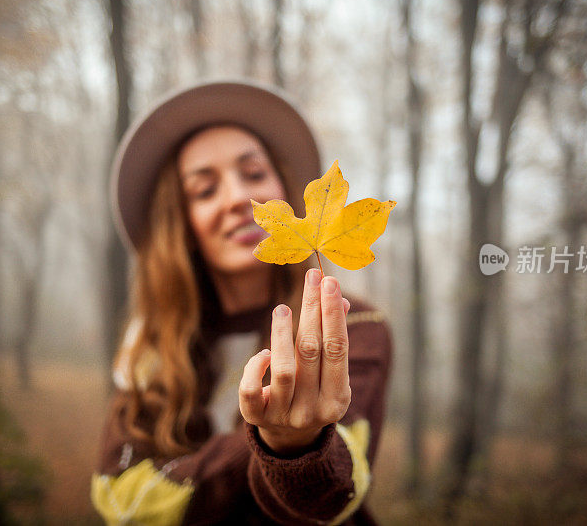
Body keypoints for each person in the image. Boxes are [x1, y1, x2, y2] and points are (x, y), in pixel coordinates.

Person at [91, 80, 393, 525]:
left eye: (253, 175)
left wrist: (296, 450)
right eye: (204, 189)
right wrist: (257, 442)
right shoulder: (151, 344)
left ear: (285, 190)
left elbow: (339, 492)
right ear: (182, 226)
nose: (237, 199)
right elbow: (121, 498)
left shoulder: (354, 325)